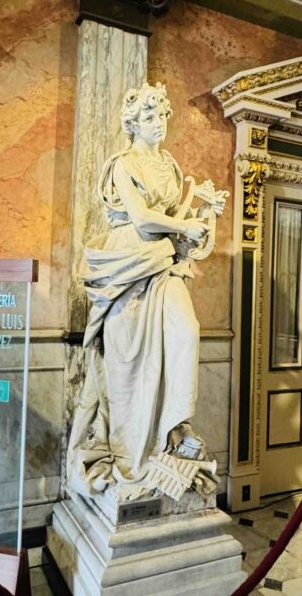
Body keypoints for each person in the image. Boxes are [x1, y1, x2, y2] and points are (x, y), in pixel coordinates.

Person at [67, 82, 227, 502]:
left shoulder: (171, 167)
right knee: (129, 368)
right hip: (129, 264)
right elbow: (140, 217)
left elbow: (178, 223)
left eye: (162, 117)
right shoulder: (124, 163)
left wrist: (204, 211)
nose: (159, 124)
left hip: (165, 262)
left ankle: (176, 429)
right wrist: (183, 225)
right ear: (133, 124)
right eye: (150, 118)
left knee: (186, 330)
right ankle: (131, 455)